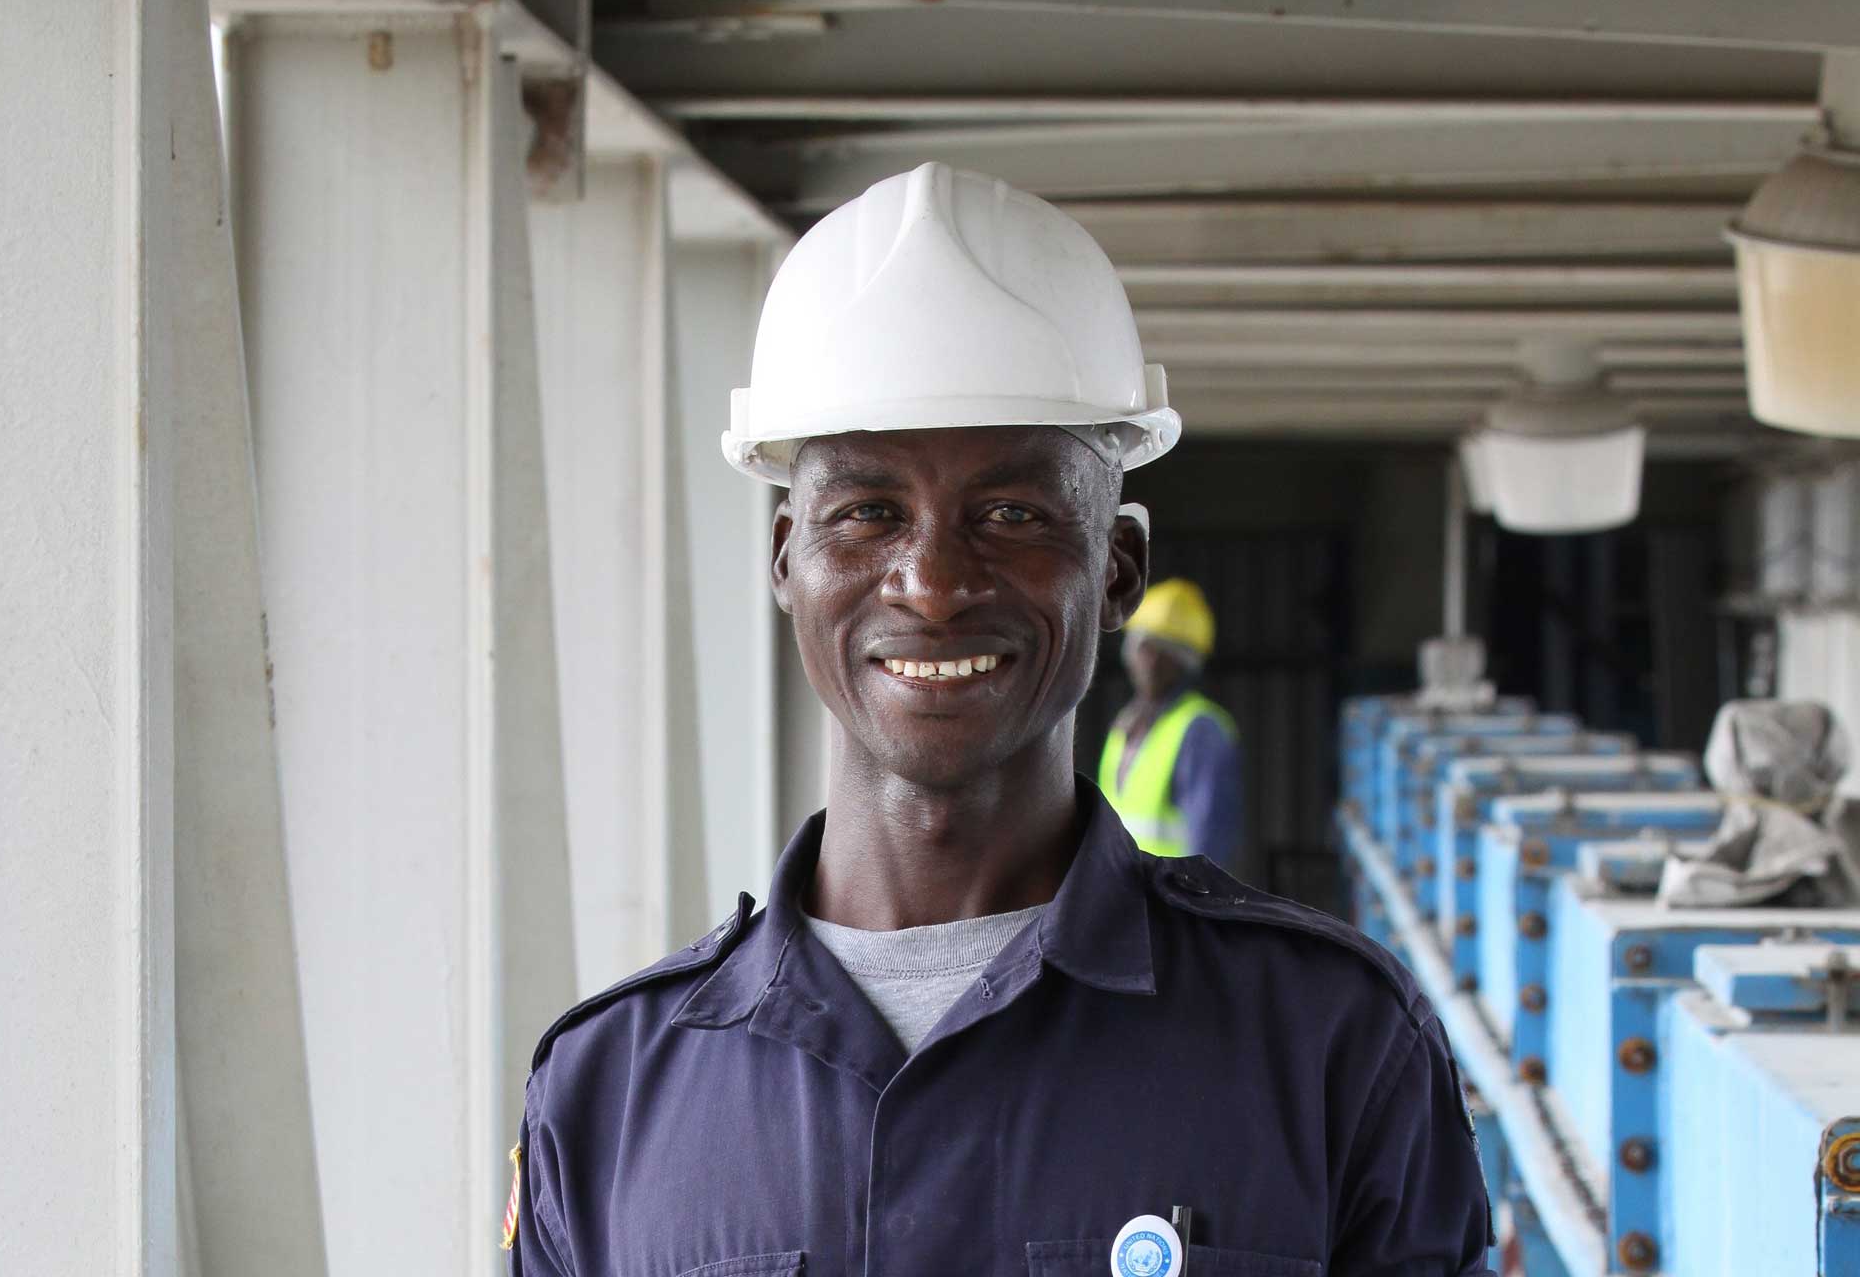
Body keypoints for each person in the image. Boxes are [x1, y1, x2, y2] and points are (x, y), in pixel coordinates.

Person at [506, 162, 1493, 1277]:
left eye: (1012, 512)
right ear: (787, 559)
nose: (931, 581)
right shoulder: (609, 1094)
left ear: (1116, 568)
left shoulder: (1328, 1042)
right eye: (868, 511)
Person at [1099, 579, 1245, 873]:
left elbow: (1209, 842)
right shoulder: (1126, 724)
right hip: (1121, 900)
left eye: (1165, 652)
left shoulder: (1201, 730)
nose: (1150, 661)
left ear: (1185, 663)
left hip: (1167, 907)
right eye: (1145, 646)